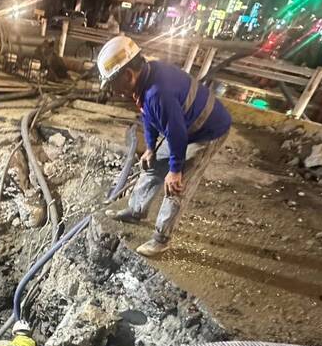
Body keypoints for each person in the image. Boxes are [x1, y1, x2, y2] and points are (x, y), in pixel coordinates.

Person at [98, 35, 232, 256]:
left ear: (128, 75)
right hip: (185, 126)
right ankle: (136, 210)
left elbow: (176, 132)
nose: (113, 90)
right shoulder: (146, 79)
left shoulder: (158, 92)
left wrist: (175, 170)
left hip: (207, 130)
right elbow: (149, 117)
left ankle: (161, 239)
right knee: (152, 166)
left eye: (113, 83)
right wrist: (150, 148)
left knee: (175, 186)